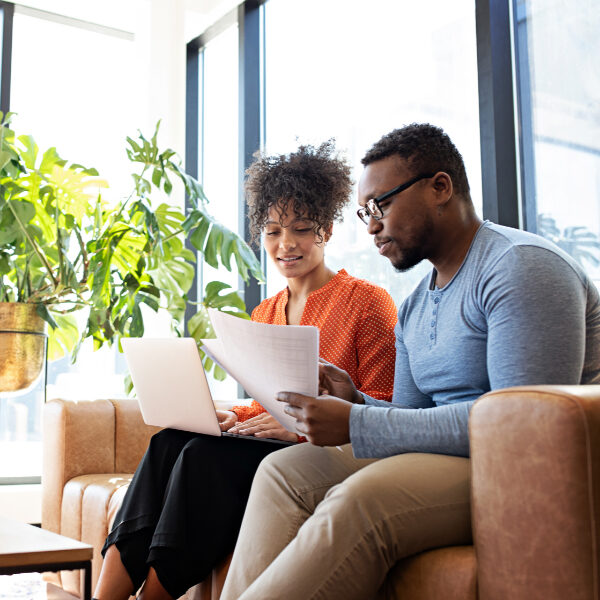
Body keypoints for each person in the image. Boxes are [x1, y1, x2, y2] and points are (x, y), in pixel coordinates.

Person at [220, 123, 600, 600]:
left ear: (440, 188)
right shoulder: (416, 306)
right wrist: (355, 400)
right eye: (364, 213)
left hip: (517, 468)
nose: (372, 224)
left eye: (381, 205)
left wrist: (357, 422)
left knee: (361, 500)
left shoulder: (519, 267)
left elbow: (518, 431)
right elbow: (412, 420)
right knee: (282, 473)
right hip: (453, 457)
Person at [93, 141, 398, 600]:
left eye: (300, 229)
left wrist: (295, 429)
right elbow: (265, 400)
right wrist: (234, 418)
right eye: (273, 231)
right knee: (169, 443)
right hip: (267, 446)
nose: (285, 244)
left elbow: (383, 407)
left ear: (327, 231)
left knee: (202, 461)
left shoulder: (368, 302)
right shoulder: (265, 312)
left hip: (327, 452)